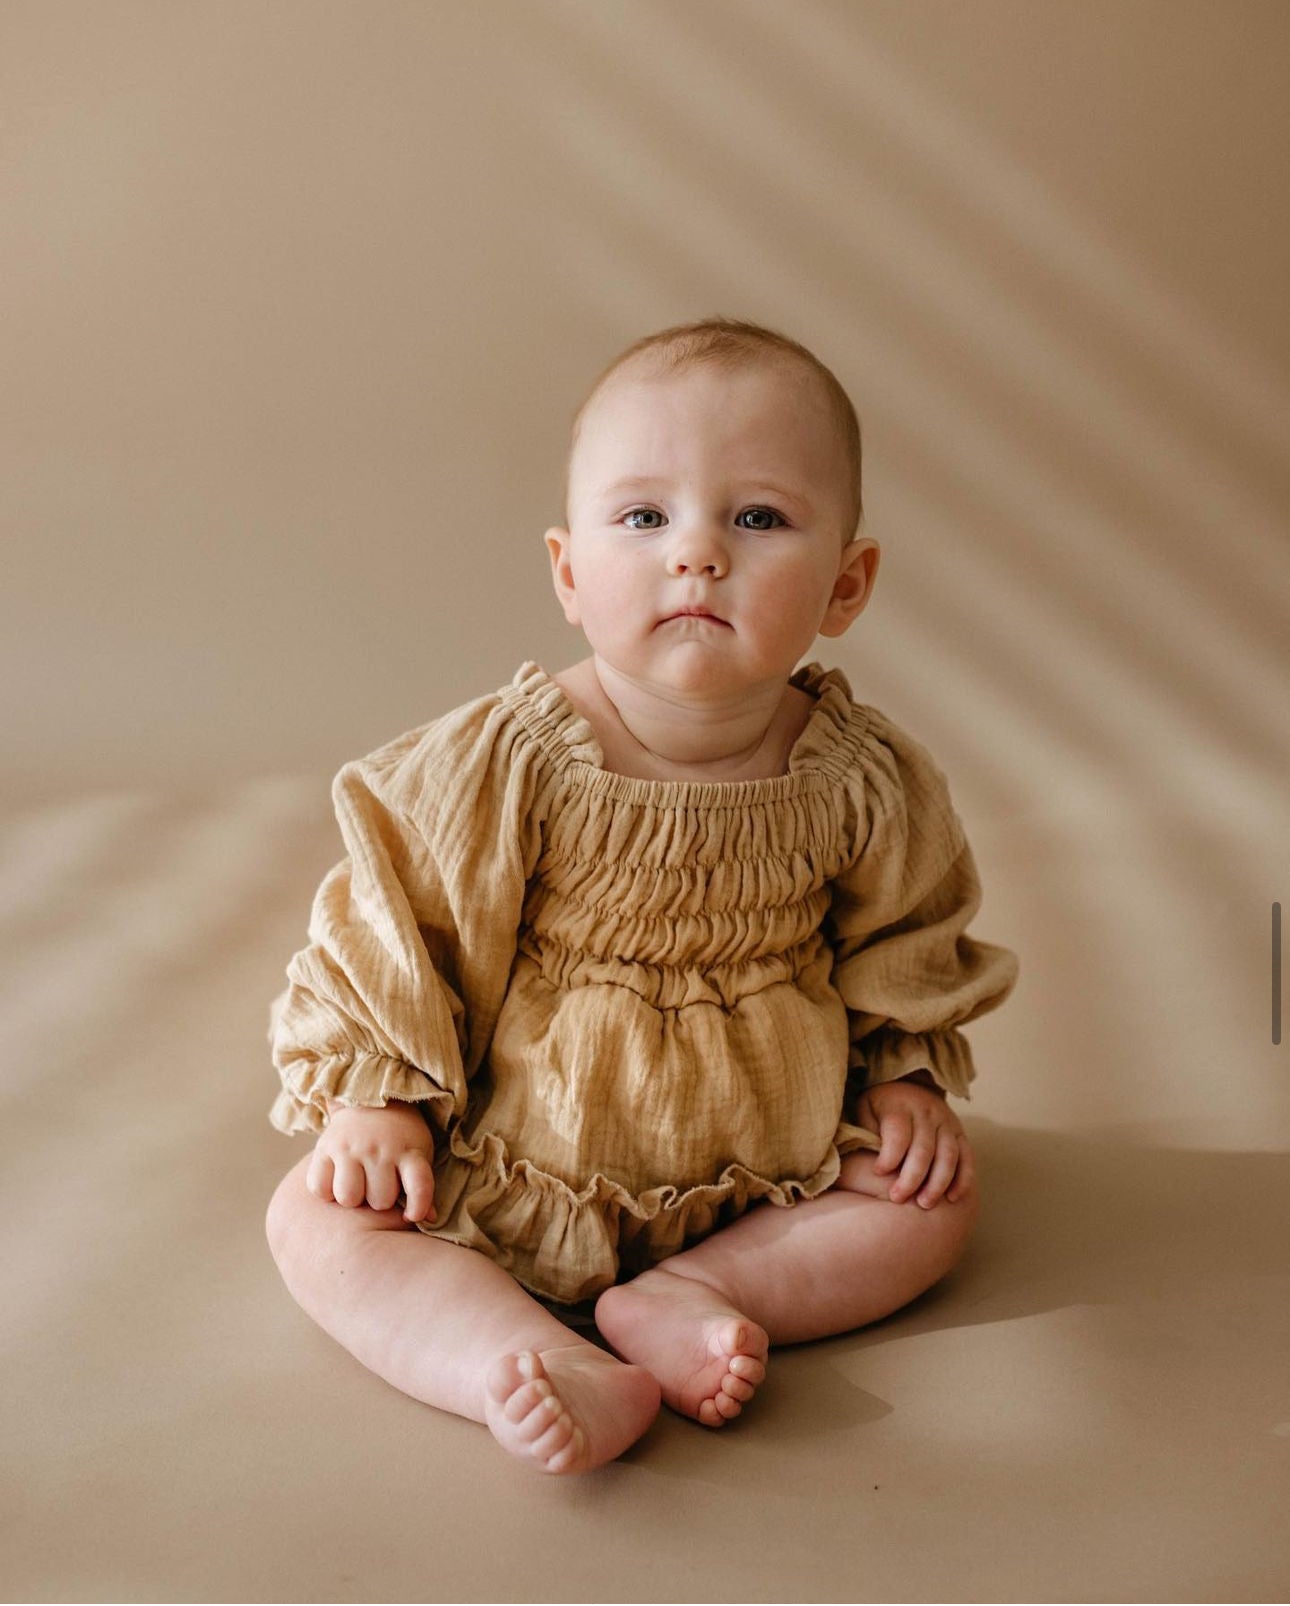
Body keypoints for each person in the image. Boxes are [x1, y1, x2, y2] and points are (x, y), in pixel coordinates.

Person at [264, 316, 1019, 1475]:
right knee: (315, 1219)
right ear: (570, 573)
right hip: (520, 1165)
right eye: (645, 517)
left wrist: (908, 1076)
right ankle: (516, 1354)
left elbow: (906, 935)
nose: (698, 554)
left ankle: (691, 1291)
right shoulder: (506, 761)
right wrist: (381, 1100)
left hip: (776, 1176)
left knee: (939, 1200)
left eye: (757, 518)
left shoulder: (865, 777)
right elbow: (395, 924)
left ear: (847, 583)